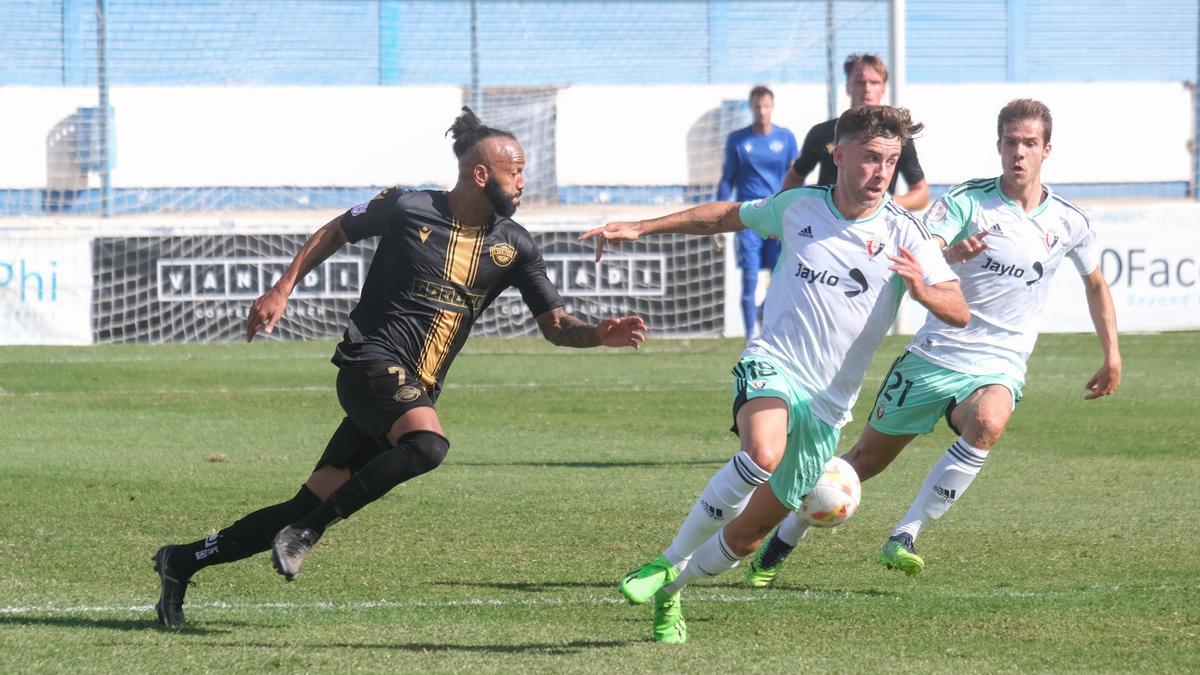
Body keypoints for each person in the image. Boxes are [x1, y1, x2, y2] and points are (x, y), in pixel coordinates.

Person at [151, 108, 648, 628]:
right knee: (427, 446)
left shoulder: (514, 245)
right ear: (482, 175)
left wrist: (597, 335)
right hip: (369, 362)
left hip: (413, 388)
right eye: (515, 171)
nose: (523, 182)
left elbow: (555, 324)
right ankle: (309, 533)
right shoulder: (407, 207)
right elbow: (335, 230)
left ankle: (182, 561)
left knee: (303, 502)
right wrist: (282, 287)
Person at [582, 105, 968, 644]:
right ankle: (665, 560)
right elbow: (724, 216)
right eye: (870, 158)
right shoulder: (797, 207)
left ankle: (673, 592)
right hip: (774, 364)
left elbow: (957, 307)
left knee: (744, 539)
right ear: (839, 156)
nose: (881, 172)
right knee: (761, 452)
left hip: (830, 407)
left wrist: (925, 290)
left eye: (891, 160)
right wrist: (641, 227)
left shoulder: (908, 235)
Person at [746, 98, 1121, 585]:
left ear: (1047, 149)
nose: (1019, 153)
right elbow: (917, 243)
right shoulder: (968, 201)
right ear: (999, 145)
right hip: (934, 355)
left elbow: (1095, 284)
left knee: (988, 421)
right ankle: (787, 534)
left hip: (999, 361)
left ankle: (906, 533)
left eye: (1029, 143)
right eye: (1010, 142)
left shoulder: (1069, 222)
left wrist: (1111, 354)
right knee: (860, 462)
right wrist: (951, 250)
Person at [782, 54, 929, 211]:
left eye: (874, 83)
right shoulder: (822, 133)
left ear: (883, 88)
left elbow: (921, 194)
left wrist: (882, 205)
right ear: (848, 86)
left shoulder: (896, 138)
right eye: (860, 82)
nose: (866, 89)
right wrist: (786, 213)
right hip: (825, 226)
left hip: (873, 230)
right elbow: (795, 177)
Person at [717, 85, 799, 339]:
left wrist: (800, 207)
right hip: (748, 217)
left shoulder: (786, 138)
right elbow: (727, 178)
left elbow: (797, 175)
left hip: (777, 214)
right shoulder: (738, 140)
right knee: (750, 277)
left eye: (766, 106)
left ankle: (767, 320)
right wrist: (719, 213)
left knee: (780, 277)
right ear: (751, 107)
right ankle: (750, 336)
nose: (762, 111)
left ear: (772, 107)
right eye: (757, 106)